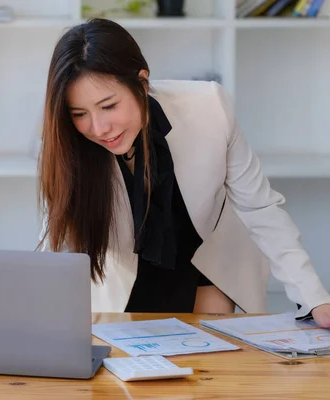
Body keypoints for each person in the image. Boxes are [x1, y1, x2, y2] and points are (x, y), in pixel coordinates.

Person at [36, 18, 330, 328]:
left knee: (210, 364)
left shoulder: (210, 108)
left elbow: (259, 208)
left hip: (208, 263)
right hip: (125, 277)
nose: (98, 128)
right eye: (79, 114)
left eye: (108, 106)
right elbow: (58, 246)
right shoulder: (64, 143)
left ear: (142, 83)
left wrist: (314, 297)